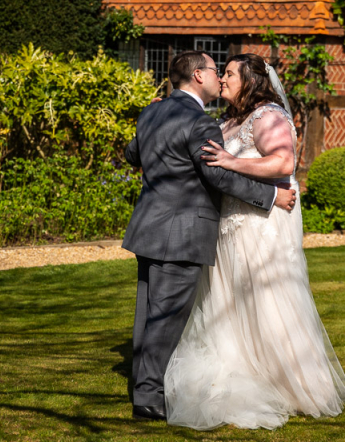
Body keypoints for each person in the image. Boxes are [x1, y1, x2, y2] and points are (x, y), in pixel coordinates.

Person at [163, 52, 345, 430]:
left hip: (262, 224)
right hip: (232, 223)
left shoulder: (269, 116)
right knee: (231, 300)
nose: (224, 79)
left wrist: (230, 163)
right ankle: (243, 370)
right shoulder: (231, 121)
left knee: (266, 298)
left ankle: (289, 383)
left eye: (230, 73)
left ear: (250, 80)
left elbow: (283, 163)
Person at [122, 50, 298, 422]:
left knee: (148, 311)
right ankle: (149, 396)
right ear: (198, 76)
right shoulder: (199, 121)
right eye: (216, 71)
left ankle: (141, 382)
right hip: (182, 231)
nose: (220, 77)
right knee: (167, 315)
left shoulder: (152, 111)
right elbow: (216, 175)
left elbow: (132, 153)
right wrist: (270, 195)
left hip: (147, 227)